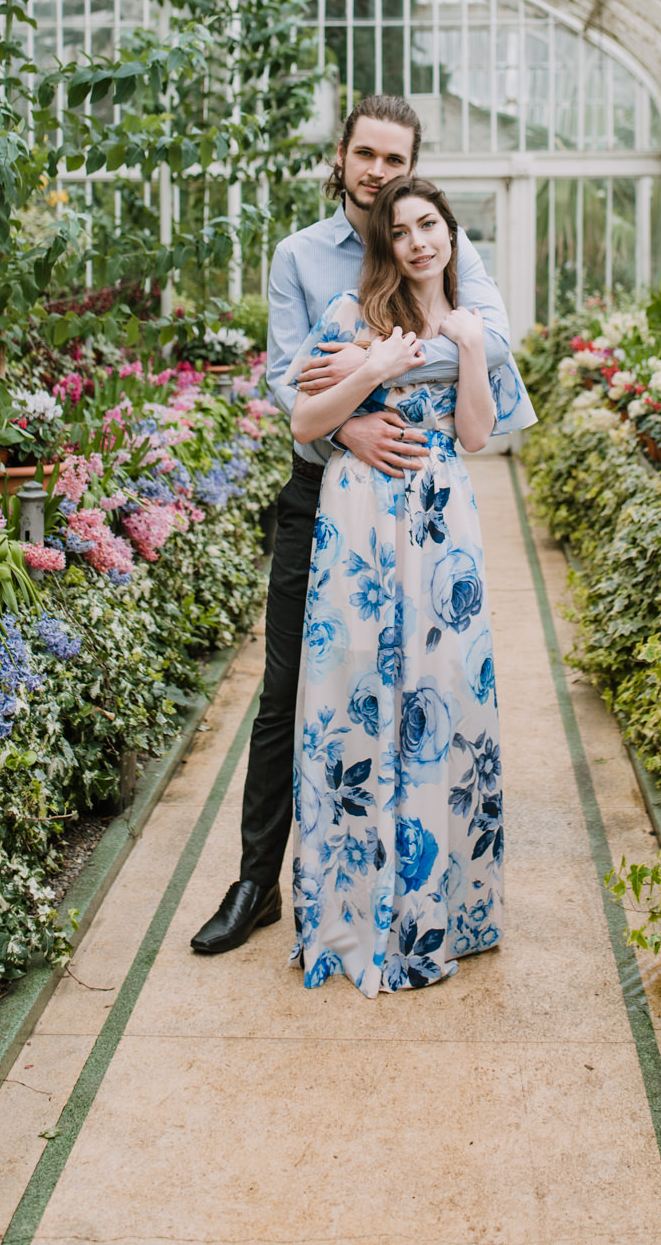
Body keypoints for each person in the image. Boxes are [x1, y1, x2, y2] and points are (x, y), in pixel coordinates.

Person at [190, 95, 527, 956]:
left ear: (413, 168)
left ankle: (421, 877)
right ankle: (255, 882)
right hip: (325, 502)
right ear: (340, 156)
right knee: (292, 688)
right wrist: (348, 418)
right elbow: (282, 379)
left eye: (394, 158)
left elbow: (485, 337)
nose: (377, 171)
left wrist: (378, 357)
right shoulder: (300, 256)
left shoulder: (439, 243)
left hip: (425, 511)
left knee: (429, 683)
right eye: (365, 155)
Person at [284, 174, 531, 993]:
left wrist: (459, 348)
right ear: (383, 245)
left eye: (431, 225)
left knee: (441, 697)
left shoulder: (471, 325)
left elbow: (474, 434)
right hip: (357, 520)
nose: (419, 241)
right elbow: (303, 424)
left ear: (452, 235)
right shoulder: (349, 320)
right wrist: (372, 369)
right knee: (353, 690)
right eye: (402, 231)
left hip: (441, 525)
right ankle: (353, 911)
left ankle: (441, 912)